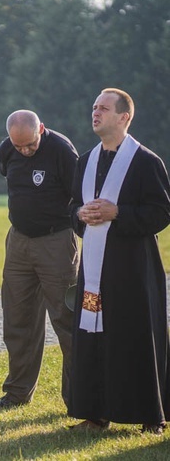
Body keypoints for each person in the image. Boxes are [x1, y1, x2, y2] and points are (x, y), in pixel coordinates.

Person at [69, 88, 170, 434]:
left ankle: (150, 415)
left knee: (136, 335)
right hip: (94, 268)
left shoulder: (146, 161)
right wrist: (80, 213)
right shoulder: (85, 160)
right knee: (92, 335)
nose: (95, 113)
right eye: (94, 107)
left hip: (133, 268)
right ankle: (95, 412)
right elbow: (71, 209)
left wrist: (118, 213)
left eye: (104, 108)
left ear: (124, 117)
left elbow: (160, 212)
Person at [0, 110, 79, 409]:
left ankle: (78, 399)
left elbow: (78, 195)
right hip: (18, 241)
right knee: (17, 319)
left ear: (41, 128)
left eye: (30, 144)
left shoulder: (62, 151)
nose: (25, 151)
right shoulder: (8, 149)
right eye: (19, 147)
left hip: (55, 241)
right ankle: (17, 393)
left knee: (66, 319)